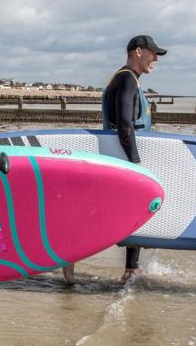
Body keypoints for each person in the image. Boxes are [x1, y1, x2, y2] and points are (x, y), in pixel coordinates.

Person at [62, 34, 166, 285]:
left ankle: (131, 269)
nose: (156, 60)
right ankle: (69, 257)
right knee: (107, 212)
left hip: (121, 156)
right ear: (138, 52)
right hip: (123, 158)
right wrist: (136, 162)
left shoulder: (127, 80)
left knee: (126, 211)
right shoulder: (126, 80)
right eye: (153, 54)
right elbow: (125, 125)